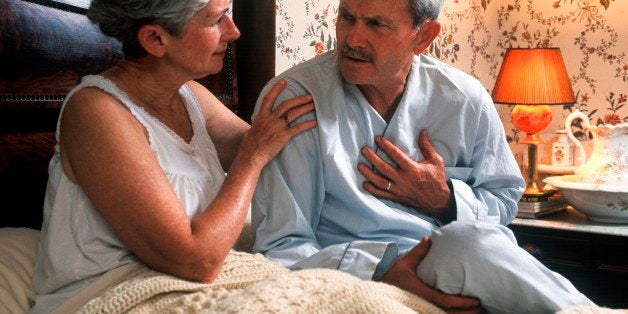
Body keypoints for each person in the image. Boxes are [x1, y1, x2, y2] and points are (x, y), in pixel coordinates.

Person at [251, 0, 595, 312]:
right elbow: (283, 244)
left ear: (424, 35)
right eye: (347, 17)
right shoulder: (295, 99)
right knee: (472, 245)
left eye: (376, 25)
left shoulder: (464, 99)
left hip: (454, 257)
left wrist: (444, 200)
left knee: (469, 242)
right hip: (348, 269)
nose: (353, 39)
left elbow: (504, 200)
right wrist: (382, 274)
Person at [29, 0, 316, 312]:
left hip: (188, 285)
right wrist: (252, 156)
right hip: (110, 294)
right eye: (217, 19)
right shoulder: (96, 112)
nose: (233, 31)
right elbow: (196, 262)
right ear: (155, 39)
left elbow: (279, 156)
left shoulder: (188, 94)